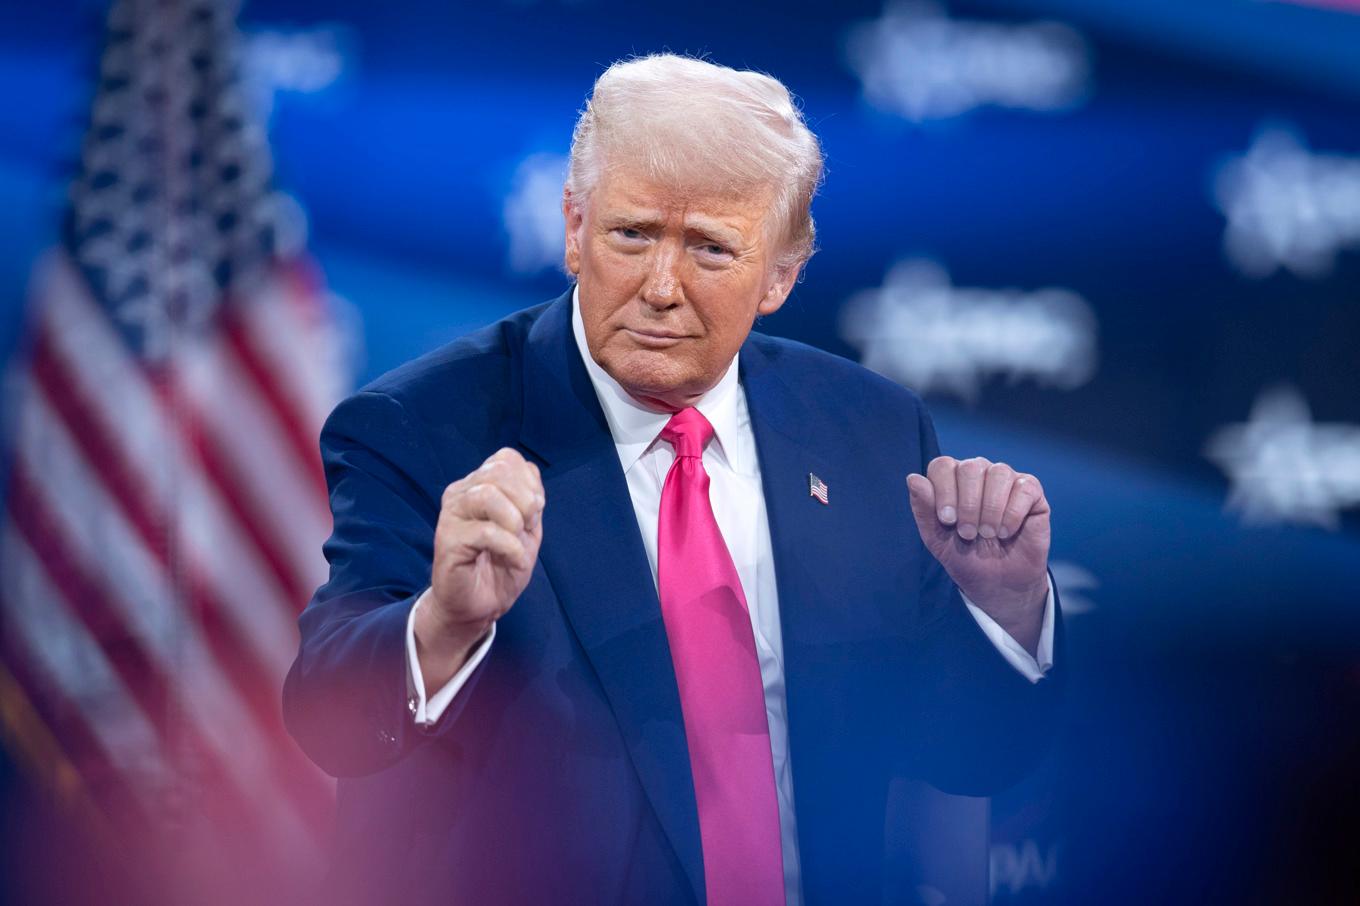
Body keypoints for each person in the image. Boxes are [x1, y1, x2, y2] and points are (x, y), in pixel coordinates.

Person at [283, 53, 1062, 905]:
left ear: (780, 276)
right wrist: (443, 623)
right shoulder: (426, 428)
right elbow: (330, 720)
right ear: (574, 226)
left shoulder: (867, 433)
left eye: (710, 250)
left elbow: (973, 753)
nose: (660, 288)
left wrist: (1004, 608)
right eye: (632, 234)